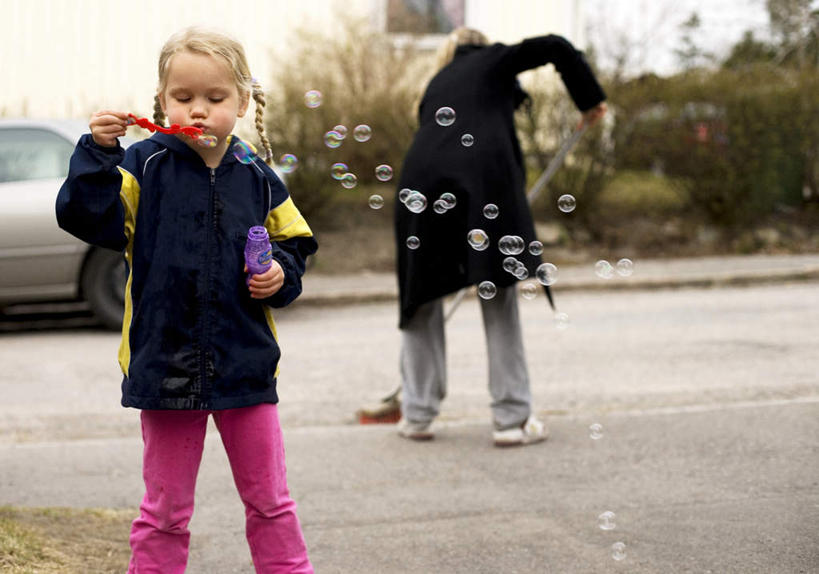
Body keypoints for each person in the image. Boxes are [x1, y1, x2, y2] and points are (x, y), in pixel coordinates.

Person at [56, 27, 316, 573]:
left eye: (215, 99)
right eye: (183, 98)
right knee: (166, 511)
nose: (198, 111)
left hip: (245, 365)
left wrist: (281, 275)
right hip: (165, 364)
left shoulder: (259, 177)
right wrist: (97, 154)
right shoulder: (141, 165)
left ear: (243, 102)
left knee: (271, 503)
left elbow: (296, 242)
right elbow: (86, 216)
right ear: (161, 98)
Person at [394, 27, 607, 446]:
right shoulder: (491, 60)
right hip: (482, 181)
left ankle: (416, 414)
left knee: (421, 291)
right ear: (480, 44)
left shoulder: (437, 82)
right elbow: (557, 46)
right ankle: (511, 419)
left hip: (419, 182)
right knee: (498, 285)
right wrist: (590, 98)